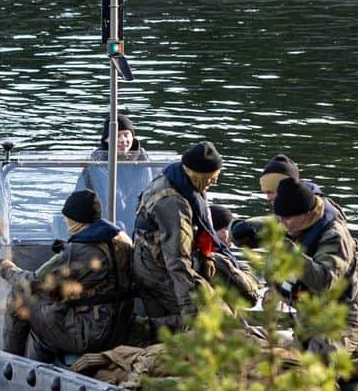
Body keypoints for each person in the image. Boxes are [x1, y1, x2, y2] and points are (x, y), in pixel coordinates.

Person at [0, 189, 136, 362]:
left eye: (68, 217)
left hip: (92, 334)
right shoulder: (122, 239)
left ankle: (10, 364)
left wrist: (3, 267)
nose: (65, 221)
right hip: (122, 327)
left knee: (18, 297)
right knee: (49, 312)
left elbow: (31, 282)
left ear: (77, 220)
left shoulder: (77, 250)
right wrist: (66, 249)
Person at [261, 176, 358, 355]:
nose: (282, 223)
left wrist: (292, 255)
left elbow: (323, 282)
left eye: (286, 219)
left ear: (306, 213)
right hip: (308, 317)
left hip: (341, 318)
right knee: (288, 364)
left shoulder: (334, 236)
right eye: (279, 218)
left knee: (315, 369)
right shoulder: (292, 226)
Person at [133, 140, 232, 325]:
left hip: (153, 261)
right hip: (156, 272)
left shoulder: (179, 180)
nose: (215, 180)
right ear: (197, 175)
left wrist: (207, 256)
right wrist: (191, 308)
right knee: (213, 318)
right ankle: (143, 327)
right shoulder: (173, 203)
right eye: (211, 176)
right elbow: (177, 260)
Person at [79, 113, 158, 236]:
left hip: (139, 222)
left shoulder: (145, 161)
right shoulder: (95, 163)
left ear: (133, 137)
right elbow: (81, 195)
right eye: (117, 135)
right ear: (106, 139)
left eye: (126, 135)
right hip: (106, 221)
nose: (122, 140)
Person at [208, 204, 261, 306]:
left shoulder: (200, 252)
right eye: (227, 228)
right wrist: (245, 268)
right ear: (213, 230)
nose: (231, 234)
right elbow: (250, 296)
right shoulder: (217, 260)